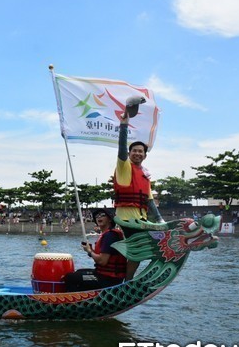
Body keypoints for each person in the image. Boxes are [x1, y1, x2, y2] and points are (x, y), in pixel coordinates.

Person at [114, 99, 164, 280]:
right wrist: (124, 124)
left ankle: (136, 276)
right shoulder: (124, 167)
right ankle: (128, 281)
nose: (137, 153)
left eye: (140, 151)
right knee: (140, 248)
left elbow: (150, 200)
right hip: (127, 219)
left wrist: (160, 220)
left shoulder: (145, 174)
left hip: (141, 219)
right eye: (134, 150)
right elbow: (121, 147)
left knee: (155, 243)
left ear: (144, 155)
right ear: (129, 154)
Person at [64, 209, 127, 292]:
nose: (99, 217)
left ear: (110, 219)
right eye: (97, 216)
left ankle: (75, 302)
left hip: (108, 279)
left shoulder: (110, 235)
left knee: (70, 277)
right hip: (104, 275)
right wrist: (89, 251)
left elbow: (102, 261)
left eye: (102, 215)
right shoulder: (107, 234)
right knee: (79, 272)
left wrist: (90, 251)